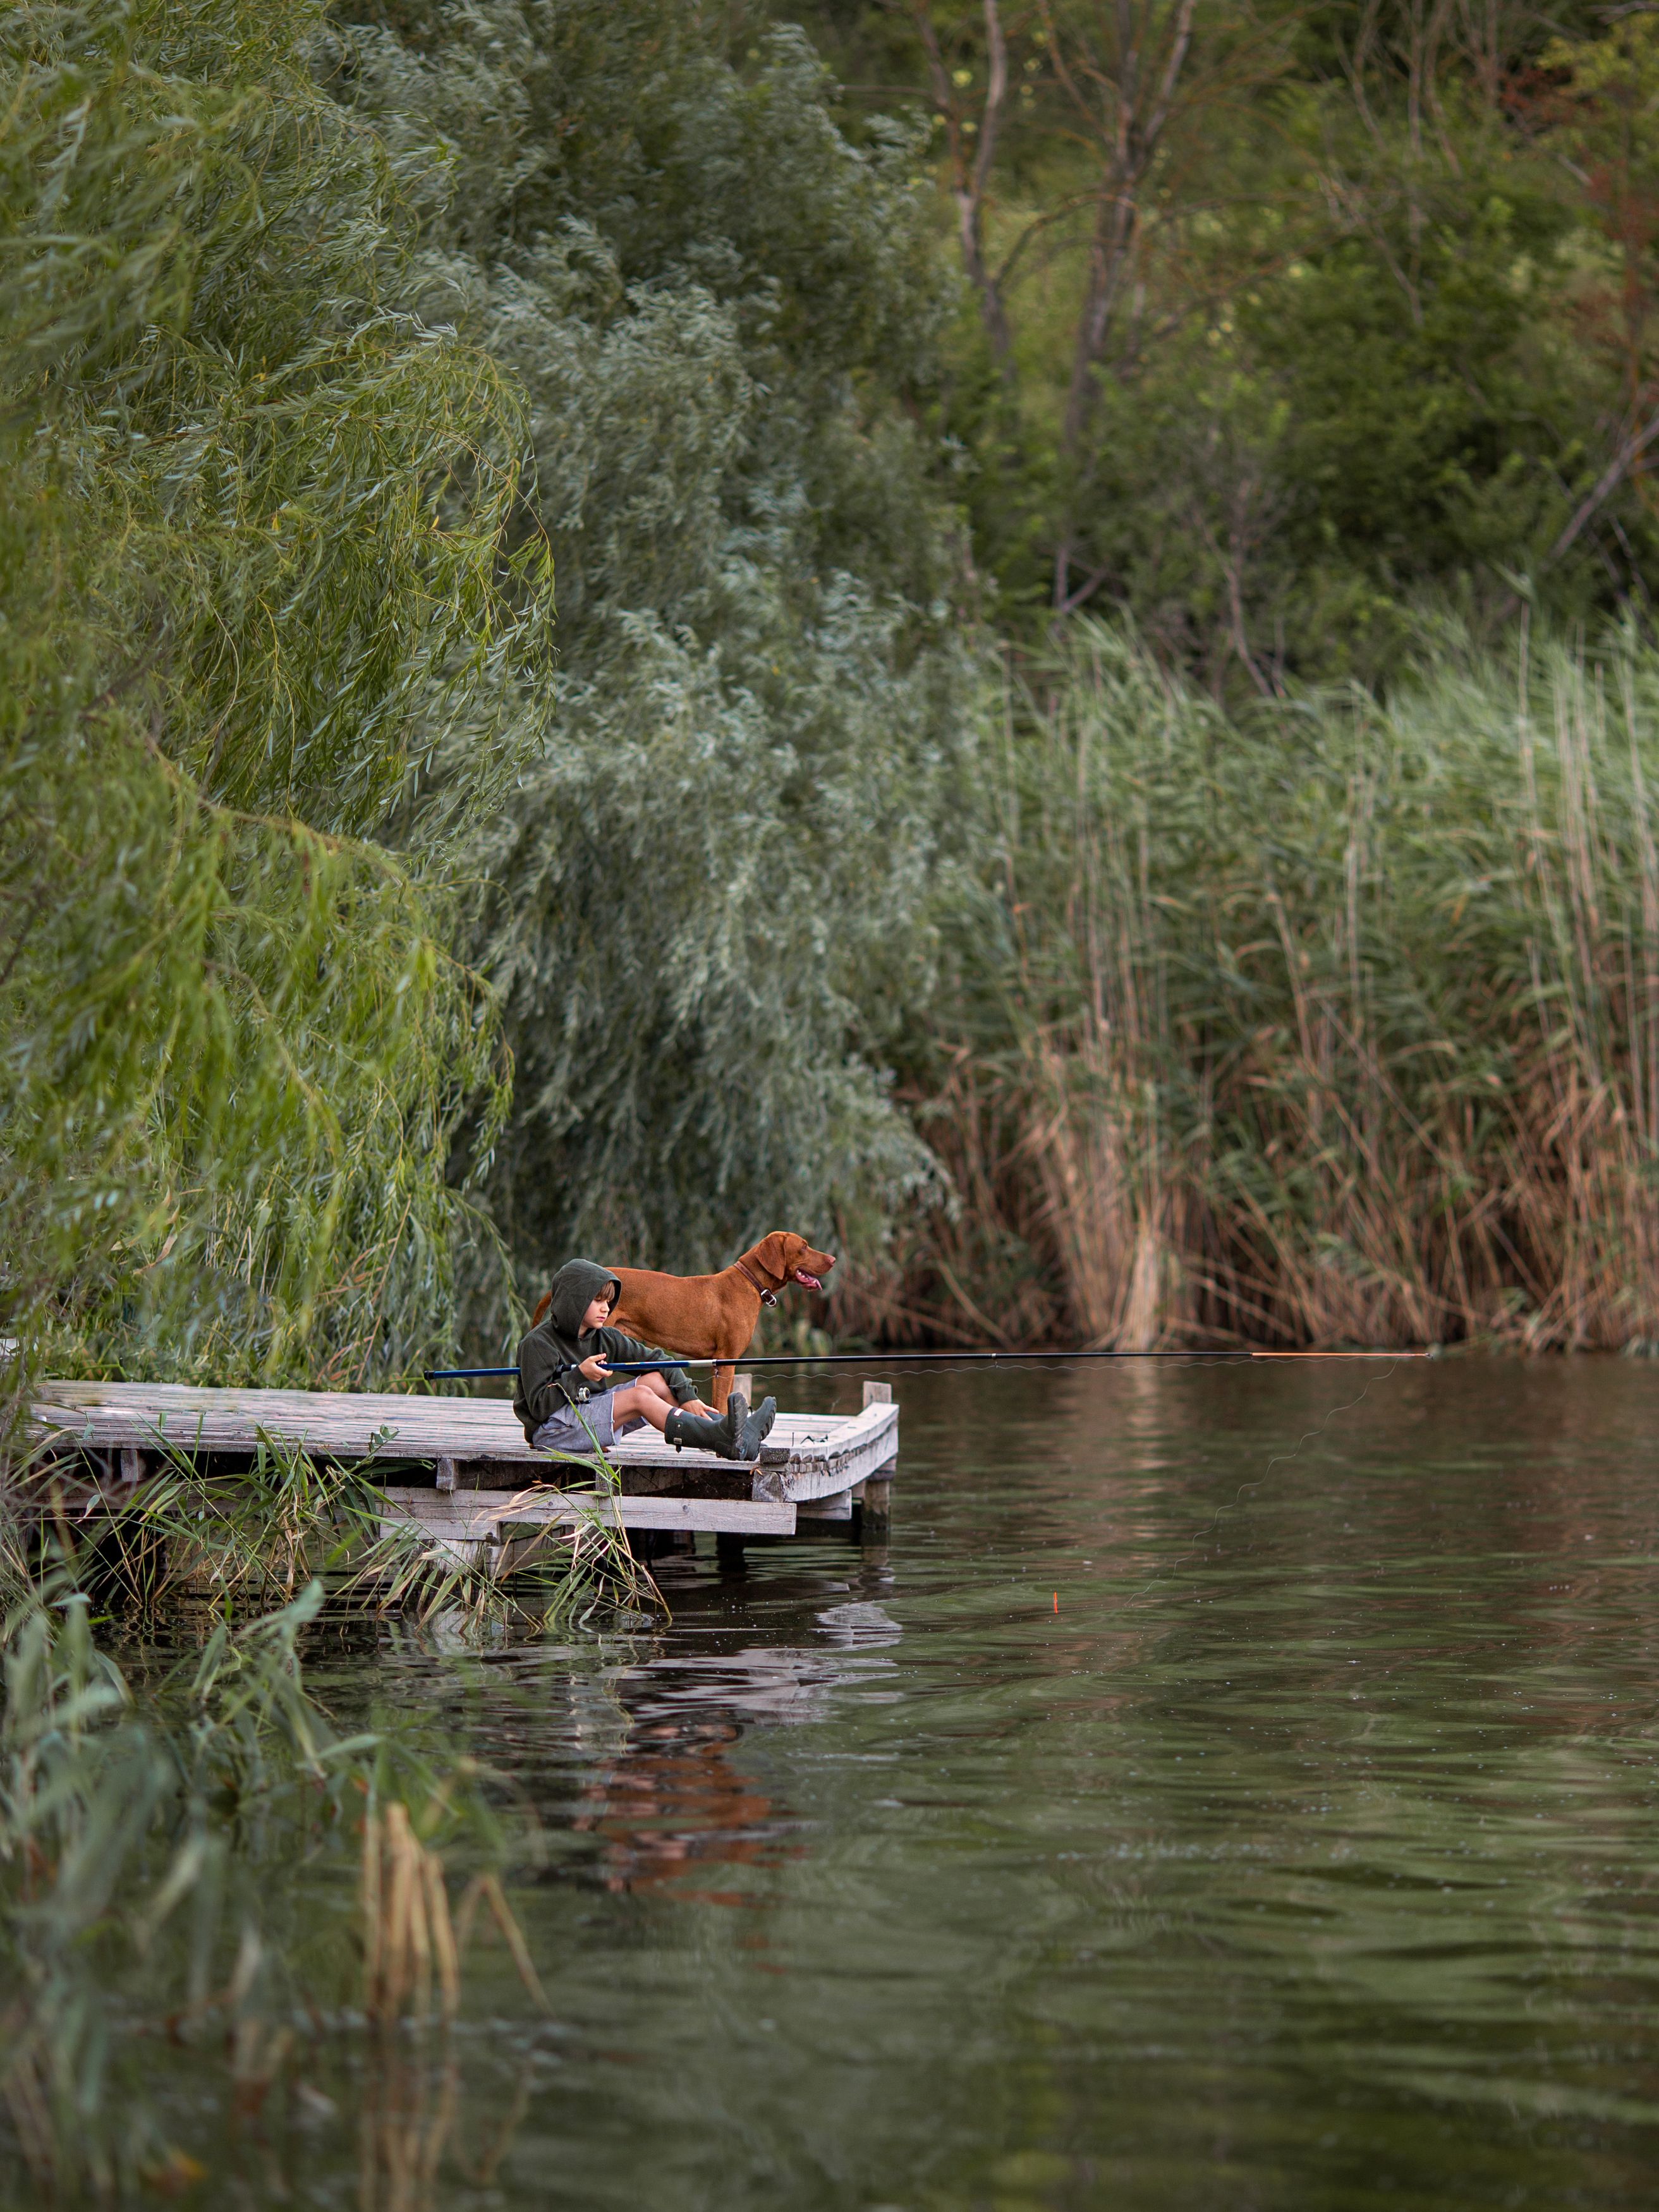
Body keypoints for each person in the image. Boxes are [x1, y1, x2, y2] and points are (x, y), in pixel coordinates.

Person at [514, 1258, 776, 1463]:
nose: (606, 1308)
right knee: (640, 1397)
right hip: (551, 1432)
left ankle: (732, 1433)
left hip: (584, 1418)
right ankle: (722, 1437)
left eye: (608, 1301)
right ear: (574, 1301)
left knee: (655, 1381)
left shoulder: (603, 1337)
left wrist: (687, 1396)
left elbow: (659, 1360)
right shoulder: (537, 1344)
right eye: (597, 1301)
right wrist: (579, 1375)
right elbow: (538, 1408)